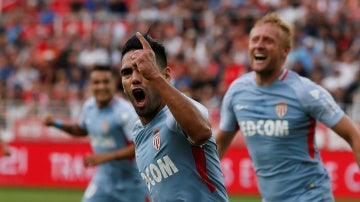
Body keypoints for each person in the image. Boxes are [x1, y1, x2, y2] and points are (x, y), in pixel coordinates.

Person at [215, 12, 360, 202]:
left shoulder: (305, 92)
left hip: (311, 196)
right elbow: (219, 145)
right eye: (255, 39)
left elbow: (353, 134)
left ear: (285, 51)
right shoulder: (237, 92)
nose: (259, 44)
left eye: (267, 40)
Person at [120, 32, 229, 202]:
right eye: (127, 72)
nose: (134, 78)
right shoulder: (138, 133)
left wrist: (154, 76)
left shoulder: (177, 116)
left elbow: (202, 132)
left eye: (143, 70)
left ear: (166, 76)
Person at [42, 65, 148, 202]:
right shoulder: (89, 107)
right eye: (96, 82)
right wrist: (55, 124)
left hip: (131, 182)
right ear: (90, 85)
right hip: (103, 180)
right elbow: (81, 129)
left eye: (105, 82)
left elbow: (140, 146)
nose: (101, 86)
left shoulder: (125, 111)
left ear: (114, 83)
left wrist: (103, 157)